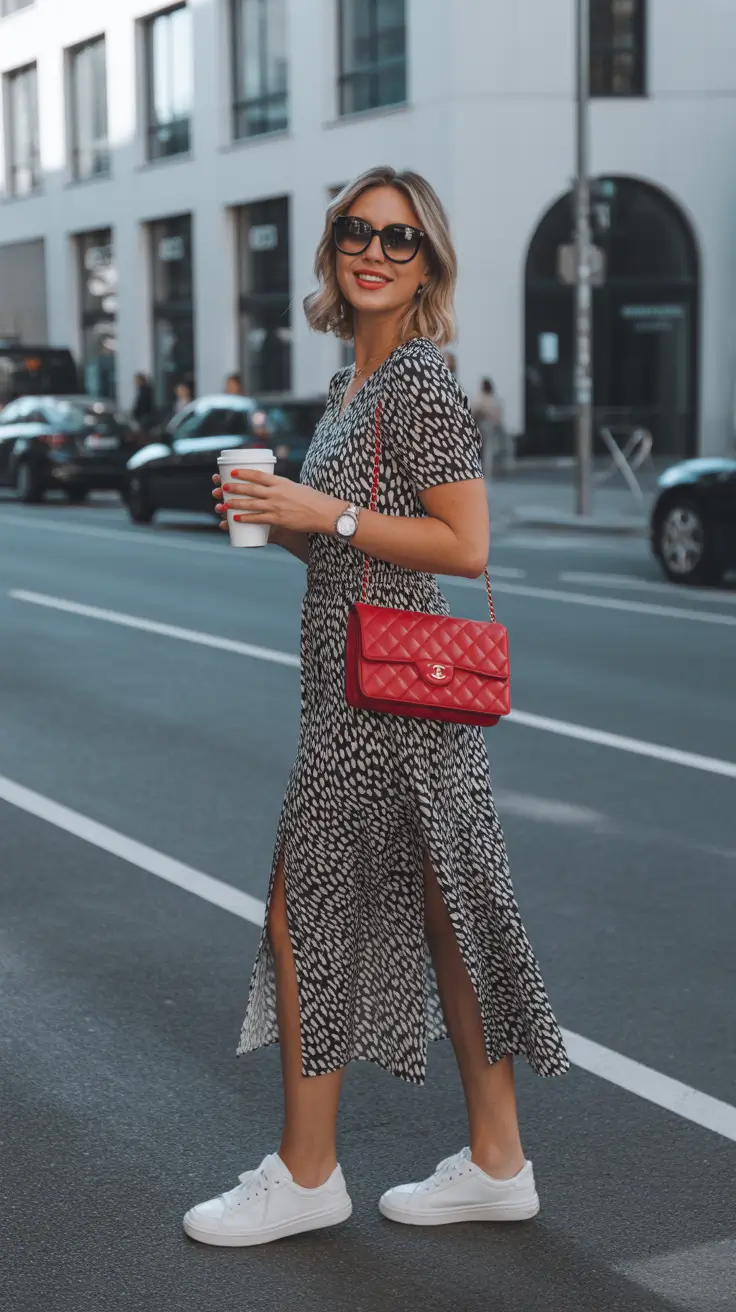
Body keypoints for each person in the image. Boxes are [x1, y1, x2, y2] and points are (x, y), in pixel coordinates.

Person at [186, 165, 568, 1248]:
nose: (374, 251)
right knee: (451, 910)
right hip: (357, 685)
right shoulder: (352, 388)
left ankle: (307, 1174)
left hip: (387, 704)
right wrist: (281, 517)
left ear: (428, 264)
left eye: (400, 240)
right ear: (331, 249)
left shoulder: (420, 383)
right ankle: (497, 1161)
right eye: (357, 231)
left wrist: (327, 511)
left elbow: (466, 544)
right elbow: (348, 538)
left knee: (302, 911)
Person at [473, 377, 505, 479]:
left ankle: (486, 471)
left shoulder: (483, 399)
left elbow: (477, 412)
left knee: (488, 450)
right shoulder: (496, 399)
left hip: (487, 427)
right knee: (490, 450)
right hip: (493, 427)